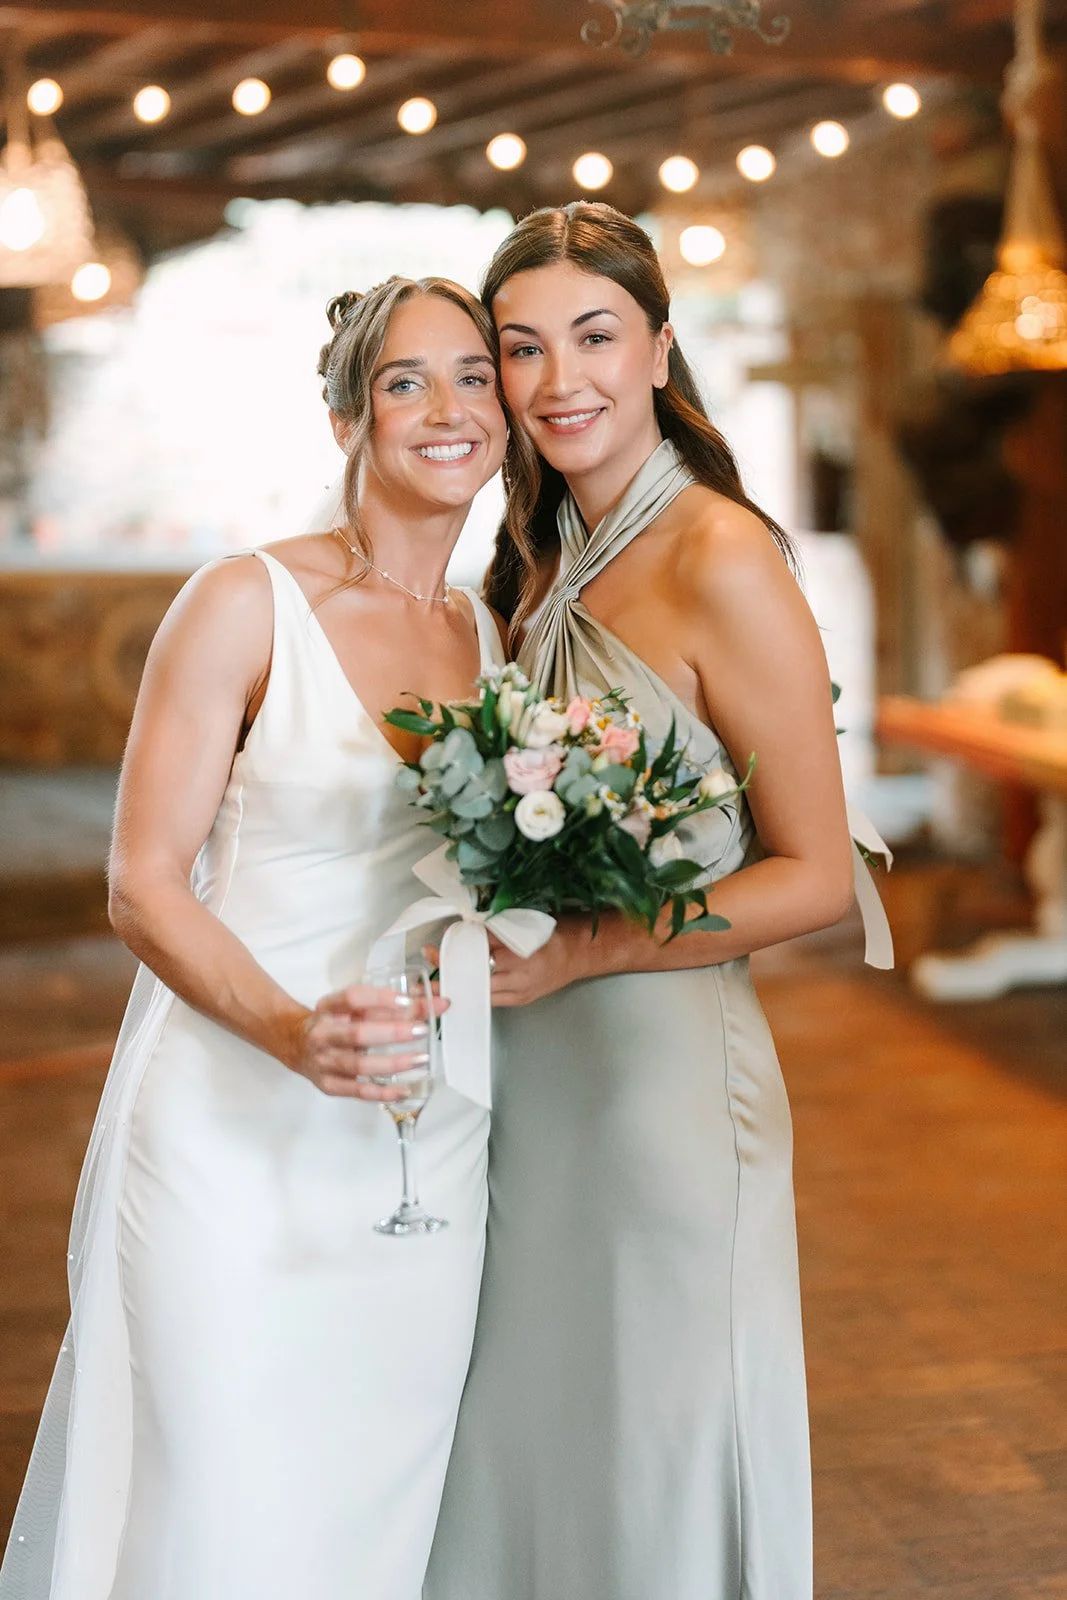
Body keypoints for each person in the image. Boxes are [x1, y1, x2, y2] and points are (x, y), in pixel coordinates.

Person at [0, 276, 507, 1600]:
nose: (448, 409)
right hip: (230, 1120)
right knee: (217, 1495)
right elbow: (141, 884)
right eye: (405, 382)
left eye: (474, 377)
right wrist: (291, 1031)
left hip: (421, 1133)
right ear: (347, 416)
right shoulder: (243, 602)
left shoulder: (496, 634)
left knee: (374, 1492)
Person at [425, 203, 857, 1600]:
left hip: (658, 1086)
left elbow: (816, 872)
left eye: (596, 336)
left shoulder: (719, 554)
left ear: (661, 349)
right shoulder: (545, 557)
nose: (561, 381)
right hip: (534, 1083)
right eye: (522, 348)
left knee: (657, 1451)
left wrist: (587, 953)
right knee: (541, 1445)